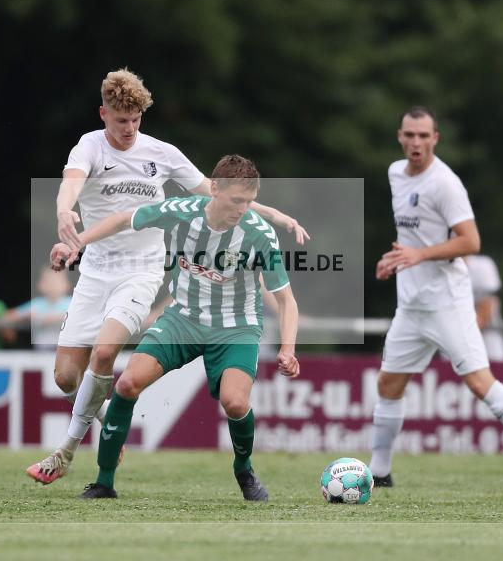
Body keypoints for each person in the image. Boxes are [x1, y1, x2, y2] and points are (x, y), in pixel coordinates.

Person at [24, 69, 308, 484]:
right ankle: (107, 419)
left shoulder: (162, 153)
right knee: (66, 378)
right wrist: (65, 214)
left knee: (104, 355)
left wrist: (274, 214)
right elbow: (71, 184)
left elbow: (216, 190)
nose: (129, 128)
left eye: (136, 120)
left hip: (142, 271)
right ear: (103, 114)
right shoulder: (89, 146)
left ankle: (65, 452)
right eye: (121, 120)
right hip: (95, 270)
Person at [56, 154, 300, 500]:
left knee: (234, 403)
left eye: (249, 202)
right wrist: (78, 241)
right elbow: (125, 219)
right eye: (236, 201)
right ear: (214, 189)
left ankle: (243, 469)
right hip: (182, 319)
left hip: (236, 328)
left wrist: (288, 349)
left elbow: (286, 300)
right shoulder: (183, 211)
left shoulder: (259, 234)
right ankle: (104, 482)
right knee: (126, 384)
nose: (243, 209)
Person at [372, 106, 503, 491]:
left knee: (479, 383)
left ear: (435, 138)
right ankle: (379, 471)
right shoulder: (395, 173)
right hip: (411, 306)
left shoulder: (446, 184)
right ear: (400, 136)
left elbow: (471, 241)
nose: (416, 142)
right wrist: (396, 259)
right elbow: (413, 236)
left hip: (448, 303)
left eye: (423, 135)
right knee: (389, 384)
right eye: (410, 134)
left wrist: (420, 255)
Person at [5, 265, 72, 350]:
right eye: (48, 280)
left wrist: (57, 318)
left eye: (57, 280)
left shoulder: (72, 303)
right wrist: (25, 316)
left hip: (66, 351)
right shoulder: (36, 304)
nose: (53, 284)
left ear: (67, 284)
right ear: (40, 284)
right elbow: (10, 315)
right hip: (41, 351)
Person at [465, 254, 503, 362]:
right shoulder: (439, 269)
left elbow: (485, 313)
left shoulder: (483, 266)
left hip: (489, 347)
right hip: (453, 350)